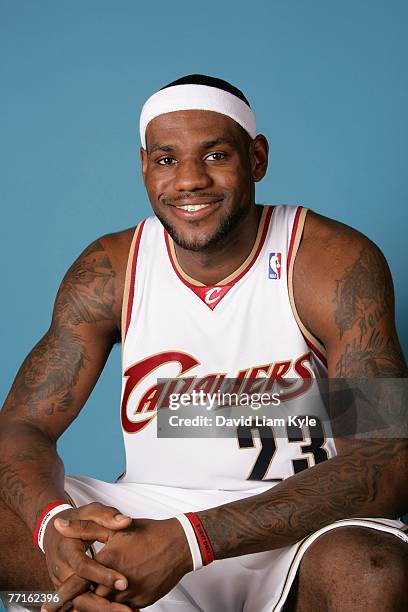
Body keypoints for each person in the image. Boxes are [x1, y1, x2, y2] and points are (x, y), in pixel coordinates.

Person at [0, 74, 407, 612]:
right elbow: (23, 425)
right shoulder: (111, 270)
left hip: (301, 528)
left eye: (215, 156)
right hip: (147, 519)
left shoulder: (330, 261)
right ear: (144, 165)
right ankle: (76, 594)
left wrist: (194, 538)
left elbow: (386, 459)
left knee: (372, 572)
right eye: (167, 160)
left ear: (256, 158)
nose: (189, 180)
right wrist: (53, 527)